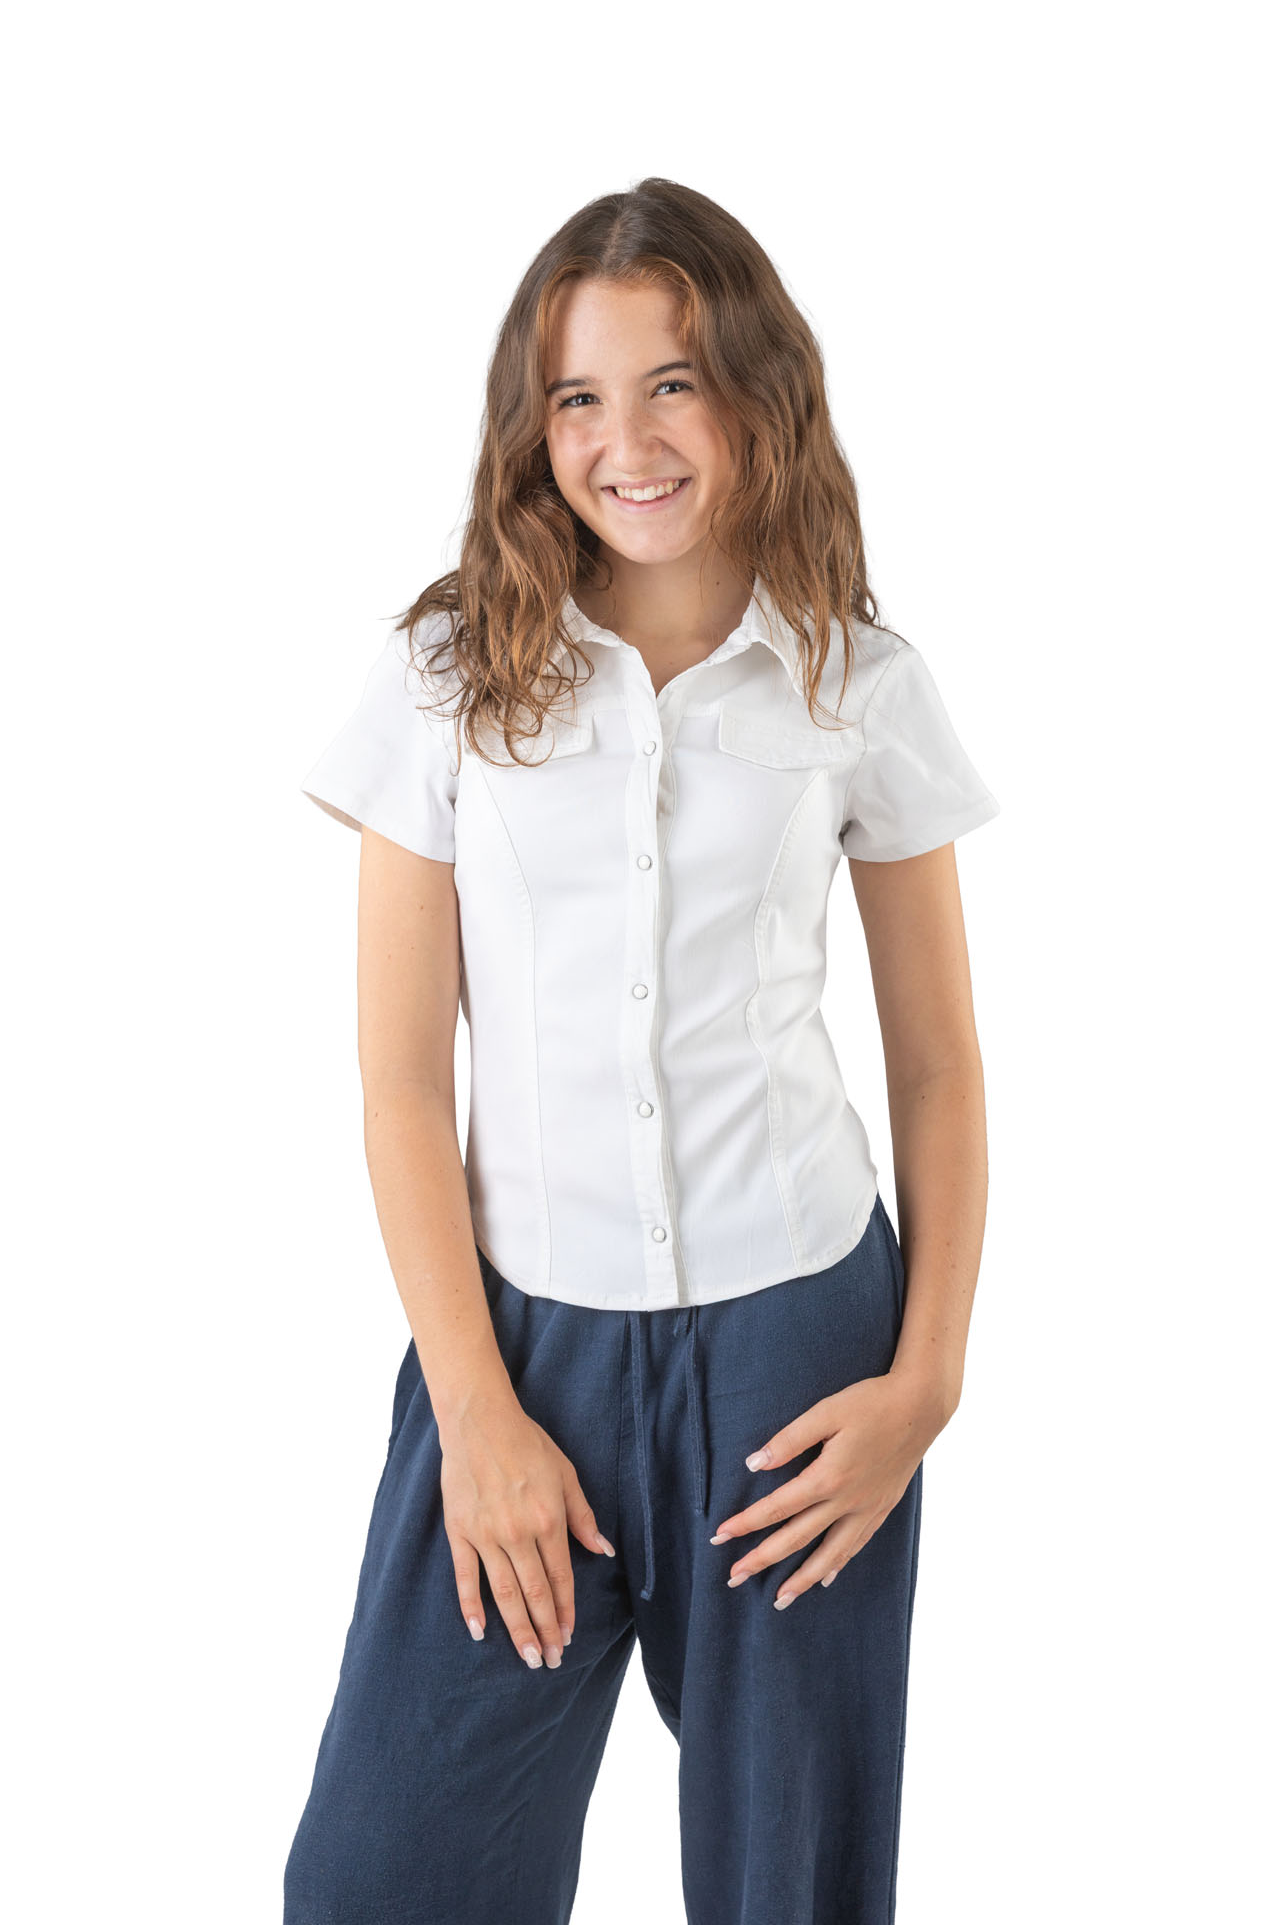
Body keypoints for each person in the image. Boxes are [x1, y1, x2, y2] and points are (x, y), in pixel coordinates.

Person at [283, 175, 1000, 1925]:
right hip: (518, 1351)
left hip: (798, 1362)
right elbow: (399, 1083)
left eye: (672, 383)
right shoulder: (447, 676)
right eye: (579, 398)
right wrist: (475, 1410)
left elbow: (935, 1065)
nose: (626, 442)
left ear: (755, 387)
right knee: (381, 1880)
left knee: (788, 1889)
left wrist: (924, 1381)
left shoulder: (854, 679)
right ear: (533, 430)